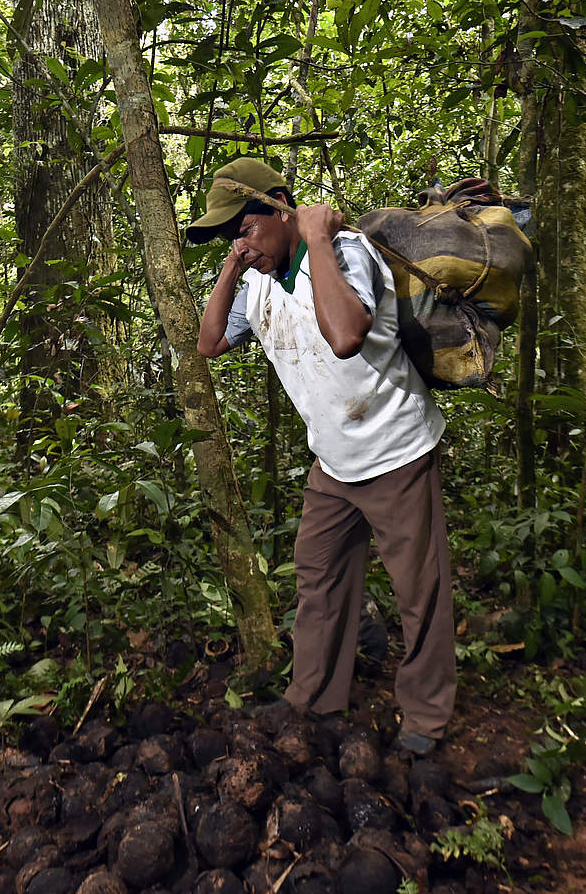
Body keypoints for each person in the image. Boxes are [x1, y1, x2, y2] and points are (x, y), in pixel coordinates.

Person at [188, 158, 456, 753]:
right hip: (333, 462)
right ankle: (315, 698)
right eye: (231, 236)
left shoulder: (346, 252)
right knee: (318, 579)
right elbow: (209, 344)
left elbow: (344, 337)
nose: (241, 244)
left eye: (247, 229)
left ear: (282, 208)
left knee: (421, 592)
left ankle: (426, 719)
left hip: (396, 451)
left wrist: (315, 237)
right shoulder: (254, 279)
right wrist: (234, 265)